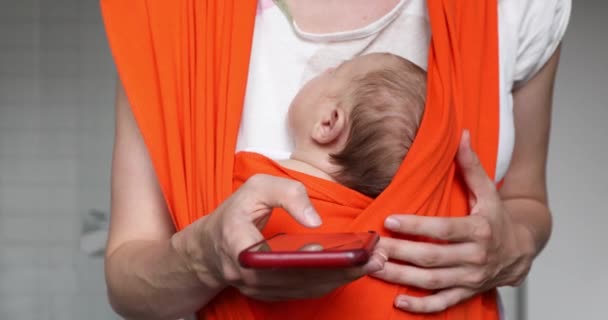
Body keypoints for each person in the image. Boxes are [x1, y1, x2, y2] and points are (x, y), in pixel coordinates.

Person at [102, 0, 571, 319]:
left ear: (329, 124)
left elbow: (527, 198)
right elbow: (127, 277)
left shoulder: (520, 9)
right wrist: (204, 260)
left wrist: (513, 244)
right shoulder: (164, 16)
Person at [274, 52, 426, 198]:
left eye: (334, 73)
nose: (327, 69)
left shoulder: (258, 180)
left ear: (328, 123)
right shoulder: (372, 219)